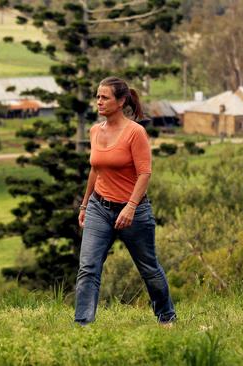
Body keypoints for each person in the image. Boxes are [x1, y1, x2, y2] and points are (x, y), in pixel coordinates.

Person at [74, 76, 177, 326]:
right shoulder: (95, 131)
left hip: (134, 211)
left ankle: (166, 317)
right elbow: (95, 170)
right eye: (97, 96)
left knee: (149, 268)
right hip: (100, 207)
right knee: (88, 267)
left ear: (120, 102)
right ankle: (83, 325)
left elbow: (145, 173)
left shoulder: (135, 132)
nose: (99, 101)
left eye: (105, 97)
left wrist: (130, 207)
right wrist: (85, 204)